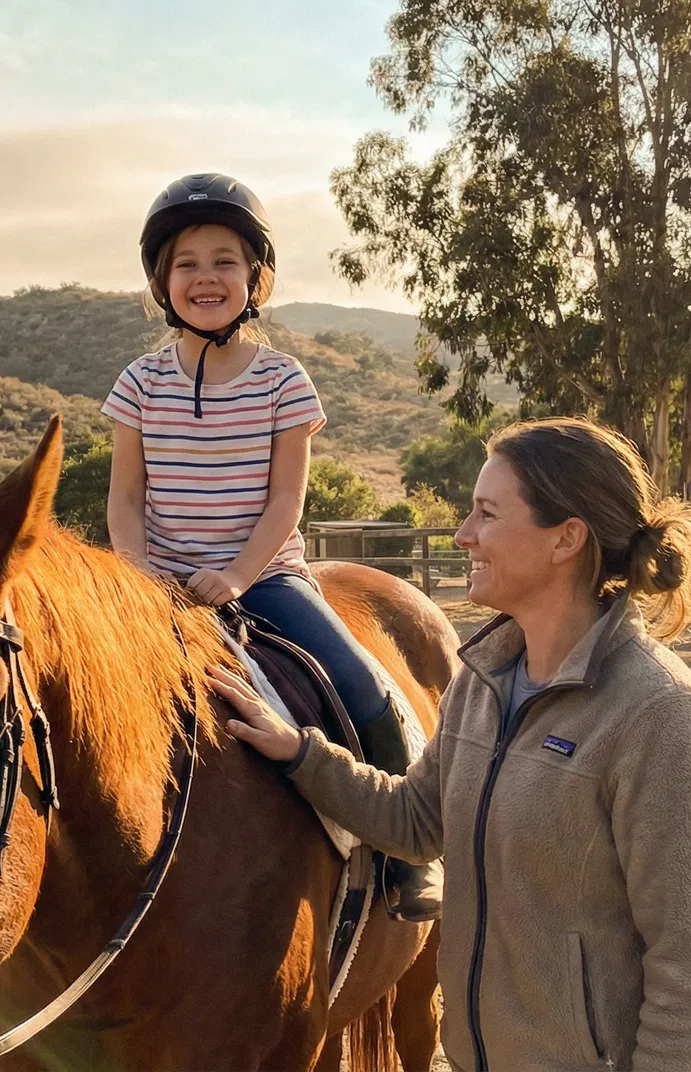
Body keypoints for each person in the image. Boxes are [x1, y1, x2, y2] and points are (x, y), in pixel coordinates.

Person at [213, 417, 691, 1070]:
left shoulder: (664, 720)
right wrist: (300, 753)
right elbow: (416, 821)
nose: (464, 535)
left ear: (566, 539)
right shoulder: (484, 681)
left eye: (487, 514)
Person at [102, 172, 441, 920]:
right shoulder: (138, 384)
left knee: (362, 687)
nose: (205, 278)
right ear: (162, 282)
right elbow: (126, 498)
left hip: (262, 576)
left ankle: (409, 850)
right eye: (185, 263)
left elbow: (287, 500)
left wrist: (236, 573)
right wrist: (135, 576)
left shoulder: (283, 381)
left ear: (255, 278)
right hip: (154, 579)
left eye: (224, 260)